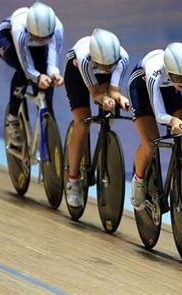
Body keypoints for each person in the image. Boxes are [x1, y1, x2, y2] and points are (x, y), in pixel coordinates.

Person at [128, 42, 182, 211]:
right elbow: (160, 115)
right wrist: (172, 121)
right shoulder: (154, 71)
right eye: (179, 78)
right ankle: (139, 180)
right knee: (150, 143)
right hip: (142, 89)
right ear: (168, 70)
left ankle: (181, 178)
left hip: (170, 90)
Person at [64, 28, 130, 208]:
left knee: (110, 107)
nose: (108, 68)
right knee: (82, 122)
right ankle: (73, 180)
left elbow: (115, 92)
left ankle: (104, 139)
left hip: (100, 73)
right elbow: (95, 94)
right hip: (77, 74)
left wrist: (121, 99)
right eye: (105, 65)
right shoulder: (84, 58)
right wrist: (103, 98)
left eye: (111, 65)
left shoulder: (122, 58)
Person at [0, 2, 64, 146]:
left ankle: (48, 121)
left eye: (44, 37)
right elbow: (26, 65)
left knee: (46, 78)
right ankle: (12, 118)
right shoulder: (20, 28)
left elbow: (53, 61)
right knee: (23, 71)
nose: (41, 40)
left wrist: (55, 74)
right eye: (37, 37)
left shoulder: (57, 28)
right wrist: (37, 77)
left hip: (33, 44)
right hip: (8, 39)